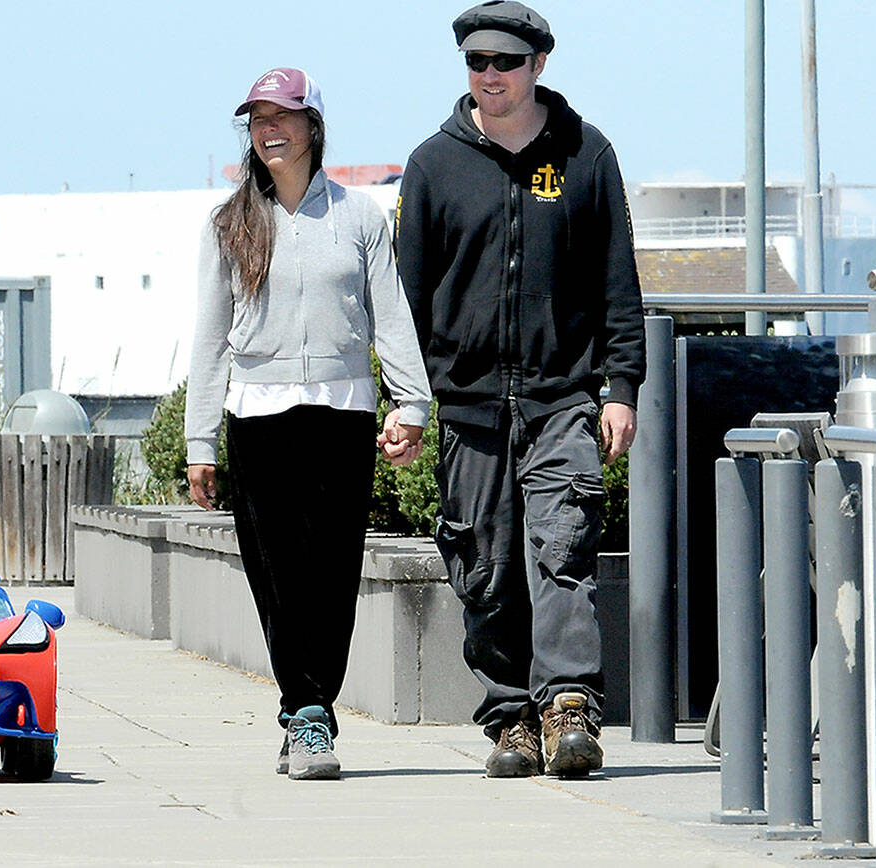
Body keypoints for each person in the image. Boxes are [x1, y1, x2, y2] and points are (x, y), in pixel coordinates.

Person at [386, 1, 645, 778]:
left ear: (538, 65)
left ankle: (569, 705)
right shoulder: (434, 163)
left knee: (562, 550)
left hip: (562, 396)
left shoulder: (587, 155)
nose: (490, 76)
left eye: (505, 62)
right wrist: (407, 401)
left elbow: (618, 287)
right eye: (477, 63)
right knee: (485, 567)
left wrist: (621, 386)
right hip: (467, 406)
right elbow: (406, 297)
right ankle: (511, 718)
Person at [184, 67, 432, 780]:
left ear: (312, 127)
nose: (270, 130)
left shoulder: (358, 218)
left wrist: (410, 404)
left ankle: (312, 708)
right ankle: (307, 712)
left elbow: (391, 313)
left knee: (331, 573)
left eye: (283, 117)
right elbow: (208, 338)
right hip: (257, 417)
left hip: (342, 413)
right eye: (258, 119)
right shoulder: (230, 223)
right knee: (278, 576)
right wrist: (201, 441)